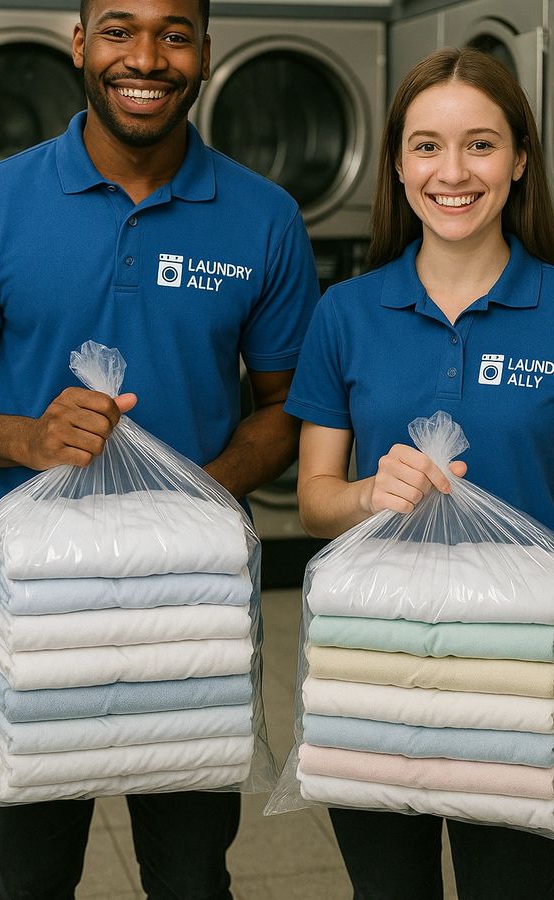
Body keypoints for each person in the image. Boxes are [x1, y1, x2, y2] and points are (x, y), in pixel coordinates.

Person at [0, 0, 319, 897]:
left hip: (189, 609)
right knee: (29, 878)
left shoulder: (264, 218)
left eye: (174, 33)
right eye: (118, 30)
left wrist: (202, 490)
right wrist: (25, 434)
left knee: (193, 876)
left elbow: (290, 408)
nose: (145, 58)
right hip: (39, 614)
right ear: (80, 45)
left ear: (204, 50)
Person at [284, 47, 554, 900]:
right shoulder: (347, 314)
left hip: (525, 675)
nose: (453, 171)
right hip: (379, 665)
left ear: (518, 160)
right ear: (398, 165)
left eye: (480, 144)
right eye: (428, 146)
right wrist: (369, 493)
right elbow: (314, 503)